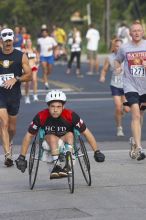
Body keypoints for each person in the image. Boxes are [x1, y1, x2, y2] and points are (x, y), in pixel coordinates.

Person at [15, 89, 105, 177]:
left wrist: (97, 151)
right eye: (52, 106)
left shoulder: (71, 115)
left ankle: (68, 164)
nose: (55, 110)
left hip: (66, 142)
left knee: (70, 134)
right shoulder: (41, 116)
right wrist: (22, 157)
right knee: (52, 137)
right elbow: (29, 135)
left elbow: (86, 133)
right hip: (48, 144)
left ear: (63, 107)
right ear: (48, 106)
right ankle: (56, 165)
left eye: (58, 107)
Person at [0, 28, 32, 167]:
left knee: (12, 128)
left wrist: (16, 79)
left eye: (9, 40)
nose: (7, 43)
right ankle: (7, 154)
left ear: (13, 40)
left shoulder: (21, 56)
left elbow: (29, 75)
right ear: (1, 40)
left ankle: (10, 142)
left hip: (13, 95)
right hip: (0, 94)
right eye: (5, 40)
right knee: (3, 123)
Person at [115, 20, 146, 160]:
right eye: (134, 31)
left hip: (144, 85)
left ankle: (134, 140)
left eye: (139, 30)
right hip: (130, 85)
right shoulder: (125, 48)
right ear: (130, 33)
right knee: (135, 114)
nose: (137, 33)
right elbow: (117, 60)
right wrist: (118, 67)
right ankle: (139, 148)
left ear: (143, 32)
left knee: (141, 113)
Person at [99, 38, 130, 136]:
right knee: (118, 107)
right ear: (114, 47)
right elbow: (104, 69)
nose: (119, 48)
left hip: (126, 86)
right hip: (115, 85)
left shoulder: (127, 57)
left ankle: (121, 112)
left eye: (121, 46)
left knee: (126, 109)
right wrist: (102, 76)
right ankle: (119, 128)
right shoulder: (110, 57)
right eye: (117, 46)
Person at [23, 39, 39, 103]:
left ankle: (35, 95)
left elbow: (37, 58)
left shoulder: (34, 50)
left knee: (34, 80)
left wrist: (37, 61)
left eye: (30, 42)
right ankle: (27, 97)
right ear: (26, 43)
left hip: (34, 67)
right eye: (28, 42)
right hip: (27, 68)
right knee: (28, 83)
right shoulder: (24, 51)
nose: (29, 43)